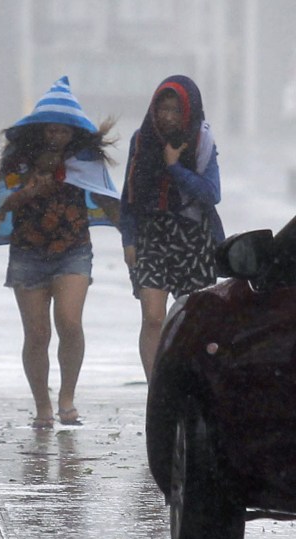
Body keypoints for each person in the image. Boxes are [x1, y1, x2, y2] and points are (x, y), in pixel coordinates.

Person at [0, 76, 119, 429]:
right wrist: (29, 192)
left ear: (74, 132)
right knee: (37, 334)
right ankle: (42, 404)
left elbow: (107, 198)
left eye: (64, 131)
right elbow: (0, 206)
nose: (56, 136)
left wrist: (132, 236)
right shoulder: (19, 162)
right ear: (40, 129)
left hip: (73, 250)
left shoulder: (86, 160)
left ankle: (67, 398)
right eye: (51, 130)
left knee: (70, 322)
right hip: (28, 253)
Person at [120, 75, 224, 383]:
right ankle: (157, 392)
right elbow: (129, 195)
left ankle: (190, 385)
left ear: (188, 111)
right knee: (153, 317)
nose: (167, 116)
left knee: (194, 321)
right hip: (152, 234)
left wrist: (175, 167)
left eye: (175, 110)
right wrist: (129, 239)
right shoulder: (142, 141)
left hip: (194, 238)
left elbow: (211, 193)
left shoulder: (202, 141)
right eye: (162, 108)